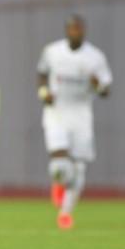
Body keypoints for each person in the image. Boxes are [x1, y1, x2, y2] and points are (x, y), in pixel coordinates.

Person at [37, 14, 112, 230]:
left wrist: (98, 86)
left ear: (84, 31)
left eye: (78, 28)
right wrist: (44, 93)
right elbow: (41, 73)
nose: (75, 32)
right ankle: (59, 182)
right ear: (66, 30)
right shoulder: (52, 51)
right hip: (57, 113)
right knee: (59, 167)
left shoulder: (95, 57)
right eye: (72, 28)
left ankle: (65, 213)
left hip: (81, 116)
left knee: (78, 168)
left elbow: (106, 90)